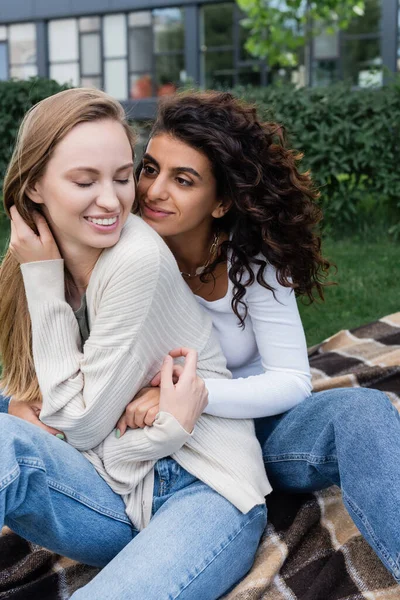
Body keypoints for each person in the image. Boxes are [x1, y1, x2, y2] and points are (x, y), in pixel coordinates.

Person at [115, 90, 399, 583]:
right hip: (170, 446)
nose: (154, 191)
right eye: (149, 169)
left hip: (260, 431)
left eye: (183, 180)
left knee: (366, 409)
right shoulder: (121, 252)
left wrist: (184, 395)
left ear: (222, 201)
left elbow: (292, 381)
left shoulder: (253, 265)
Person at [0, 88, 270, 600]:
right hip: (112, 483)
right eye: (86, 180)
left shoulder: (133, 260)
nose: (113, 200)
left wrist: (41, 279)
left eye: (124, 177)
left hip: (203, 489)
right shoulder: (45, 259)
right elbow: (49, 406)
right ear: (34, 186)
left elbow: (77, 424)